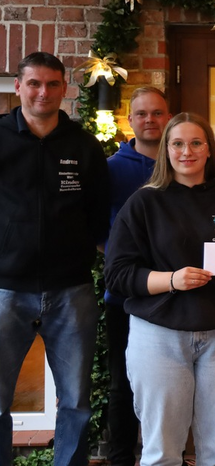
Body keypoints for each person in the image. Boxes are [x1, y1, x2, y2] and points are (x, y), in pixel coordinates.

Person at [104, 112, 215, 466]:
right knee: (162, 453)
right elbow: (118, 275)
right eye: (177, 143)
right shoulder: (144, 203)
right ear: (166, 150)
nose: (187, 151)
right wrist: (171, 280)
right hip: (159, 338)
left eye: (196, 143)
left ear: (210, 150)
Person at [0, 52, 110, 466]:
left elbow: (99, 212)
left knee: (76, 401)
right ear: (19, 87)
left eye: (52, 84)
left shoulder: (83, 145)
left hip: (71, 289)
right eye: (34, 83)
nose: (43, 92)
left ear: (65, 88)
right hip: (6, 288)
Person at [103, 86, 171, 466]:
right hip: (125, 298)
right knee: (122, 383)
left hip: (174, 296)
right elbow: (96, 227)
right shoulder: (113, 168)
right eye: (142, 114)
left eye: (157, 113)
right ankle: (120, 458)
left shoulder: (180, 161)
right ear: (130, 120)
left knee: (170, 383)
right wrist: (120, 259)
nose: (150, 120)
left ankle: (167, 455)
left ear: (168, 116)